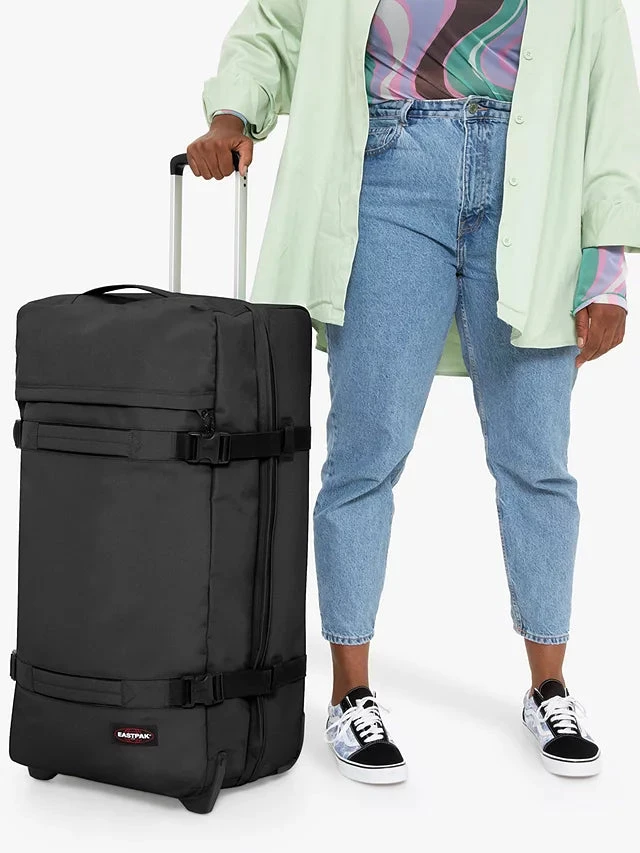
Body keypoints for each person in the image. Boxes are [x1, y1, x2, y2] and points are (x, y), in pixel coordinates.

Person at [187, 0, 640, 783]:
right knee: (366, 450)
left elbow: (610, 100)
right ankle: (350, 692)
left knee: (536, 457)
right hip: (389, 176)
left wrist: (608, 268)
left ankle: (550, 686)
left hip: (535, 190)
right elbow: (275, 26)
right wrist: (233, 114)